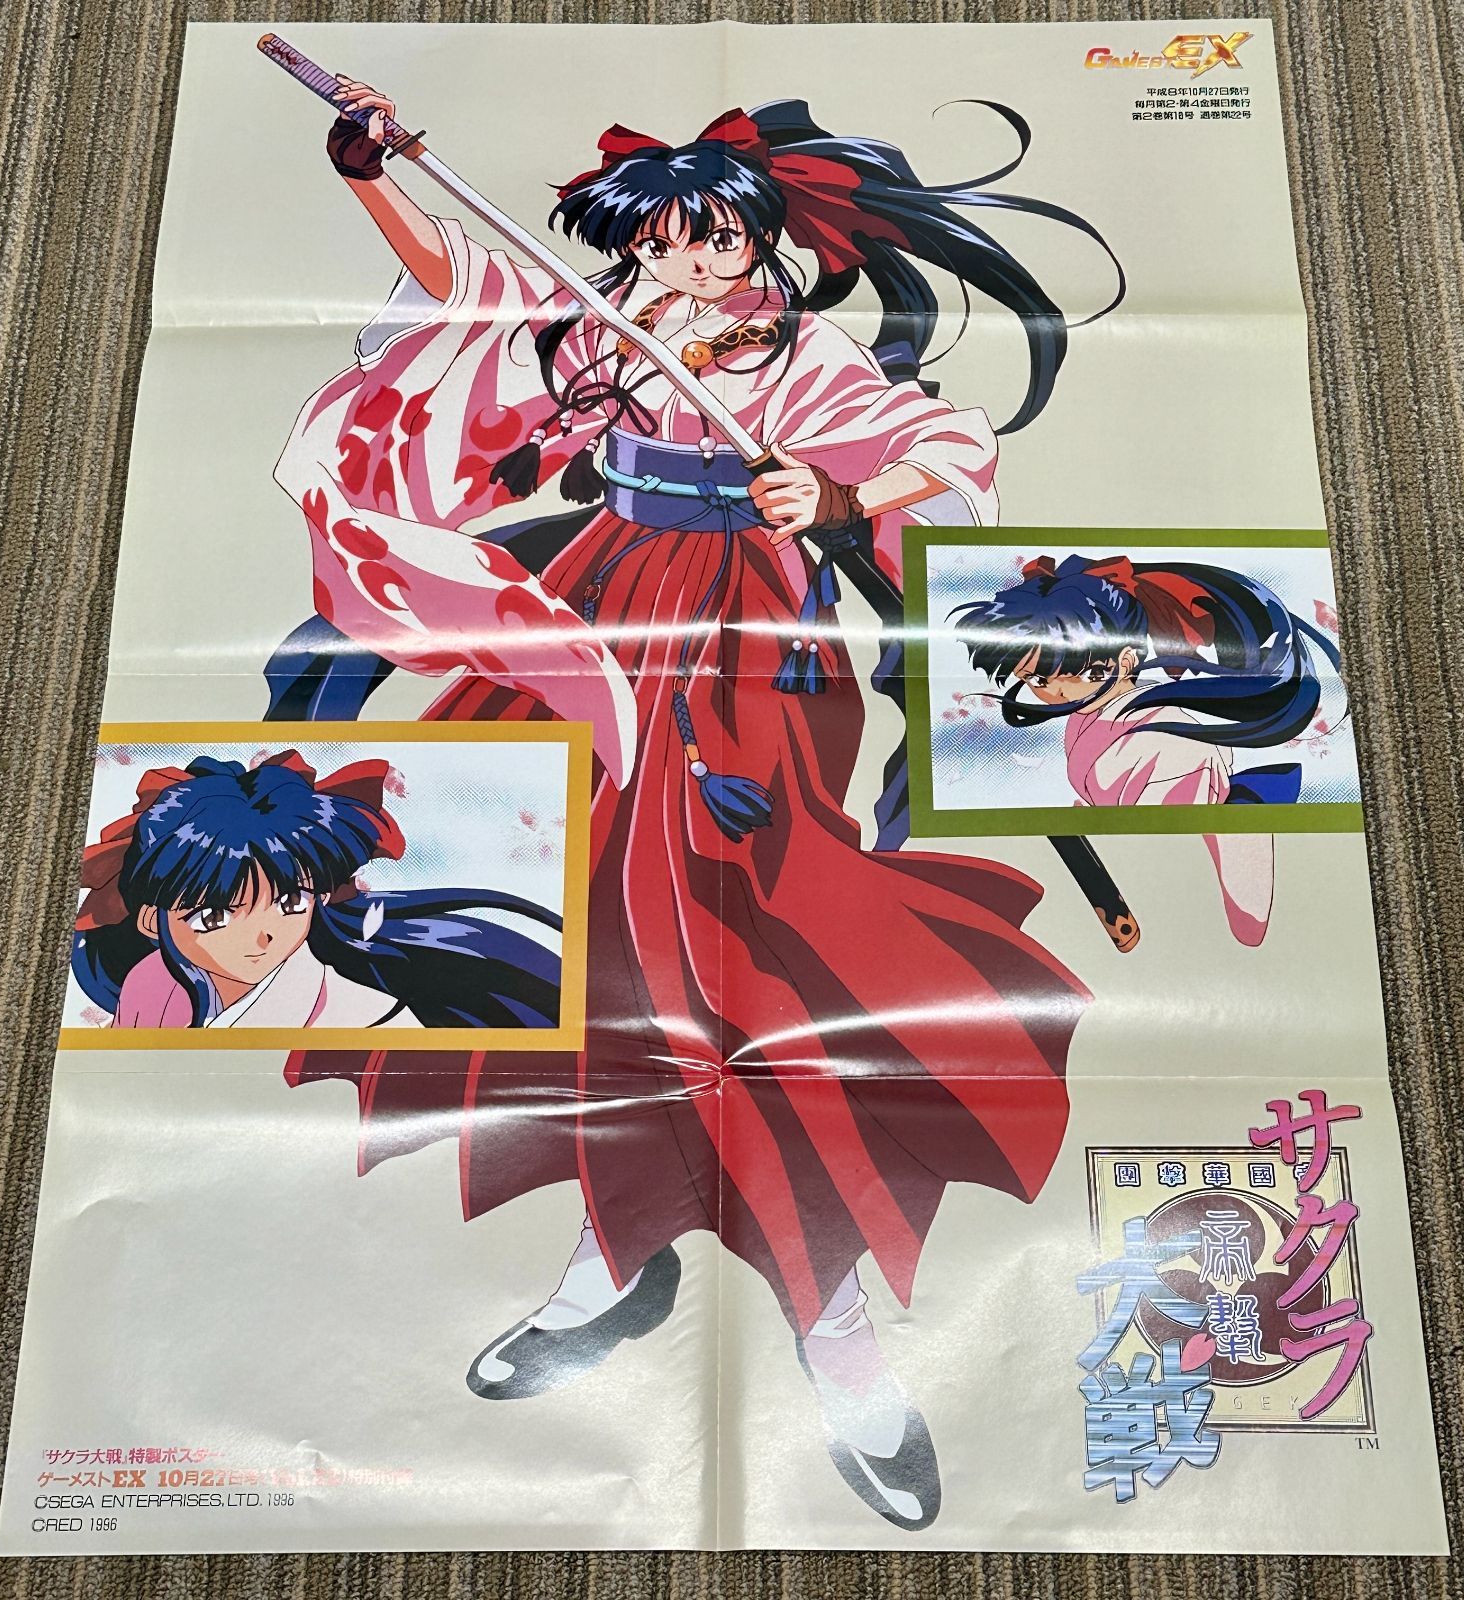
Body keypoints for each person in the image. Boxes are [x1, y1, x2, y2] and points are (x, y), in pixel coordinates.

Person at [274, 87, 1122, 1529]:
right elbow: (466, 281)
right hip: (591, 611)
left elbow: (937, 450)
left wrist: (834, 500)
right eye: (666, 240)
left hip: (745, 638)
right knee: (568, 937)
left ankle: (831, 1325)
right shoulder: (608, 324)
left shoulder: (798, 352)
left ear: (759, 237)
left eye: (718, 237)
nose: (695, 260)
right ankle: (615, 1257)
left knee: (751, 956)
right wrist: (368, 173)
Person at [953, 553, 1341, 946]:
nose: (1059, 691)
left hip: (1181, 871)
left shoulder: (1165, 735)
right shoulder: (1091, 716)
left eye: (1084, 672)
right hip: (1133, 876)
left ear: (1124, 661)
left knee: (1226, 932)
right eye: (1036, 679)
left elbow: (1163, 847)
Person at [72, 750, 563, 1030]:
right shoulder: (151, 983)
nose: (262, 936)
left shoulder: (356, 1013)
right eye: (214, 917)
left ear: (321, 896)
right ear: (149, 919)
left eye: (290, 902)